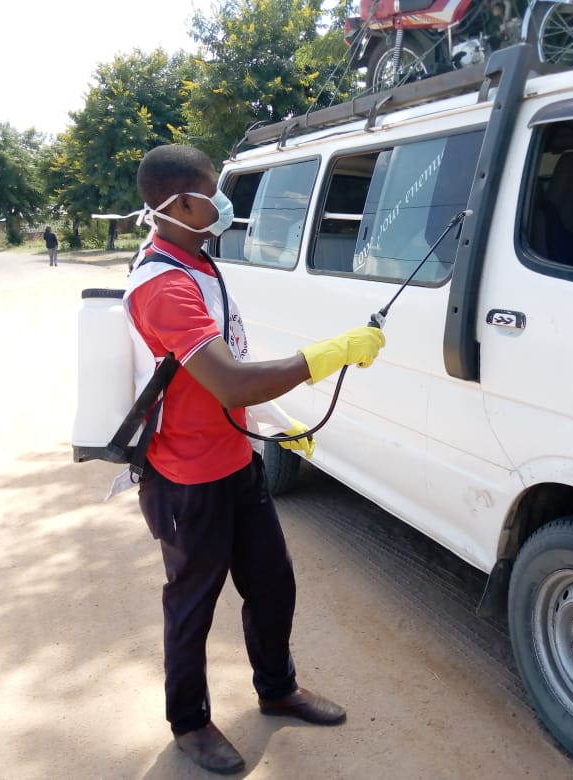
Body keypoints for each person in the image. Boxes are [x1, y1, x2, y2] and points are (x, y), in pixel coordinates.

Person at [123, 144, 386, 775]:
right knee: (192, 604)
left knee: (273, 584)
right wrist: (329, 354)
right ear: (183, 202)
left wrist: (272, 426)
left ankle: (276, 688)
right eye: (212, 192)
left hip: (234, 461)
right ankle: (189, 723)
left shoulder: (196, 262)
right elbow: (233, 382)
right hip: (187, 480)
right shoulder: (162, 285)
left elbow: (222, 375)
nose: (221, 202)